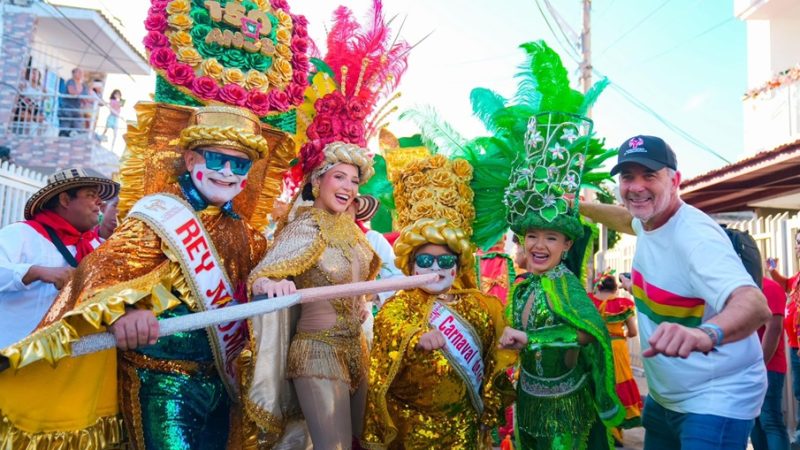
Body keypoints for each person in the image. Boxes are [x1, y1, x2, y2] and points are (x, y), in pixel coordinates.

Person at [0, 104, 292, 449]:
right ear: (191, 160)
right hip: (160, 379)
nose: (228, 172)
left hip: (221, 382)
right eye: (216, 159)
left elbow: (259, 273)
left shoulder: (247, 235)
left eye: (240, 163)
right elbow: (100, 273)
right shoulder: (155, 218)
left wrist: (270, 282)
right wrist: (124, 313)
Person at [579, 134, 771, 449]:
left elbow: (754, 304)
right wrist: (579, 207)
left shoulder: (696, 239)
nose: (636, 186)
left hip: (715, 399)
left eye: (649, 175)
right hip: (664, 399)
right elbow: (627, 219)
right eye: (628, 177)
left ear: (675, 181)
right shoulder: (649, 220)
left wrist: (706, 335)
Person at [362, 155, 516, 449]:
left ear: (458, 265)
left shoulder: (477, 305)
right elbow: (389, 328)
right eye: (426, 260)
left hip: (465, 431)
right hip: (415, 430)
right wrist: (415, 338)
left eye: (445, 260)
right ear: (411, 264)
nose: (436, 268)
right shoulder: (401, 304)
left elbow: (491, 350)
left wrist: (505, 340)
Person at [498, 114, 624, 449]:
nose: (539, 246)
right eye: (532, 236)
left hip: (567, 408)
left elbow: (588, 333)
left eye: (551, 238)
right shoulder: (522, 287)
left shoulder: (566, 283)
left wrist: (531, 338)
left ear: (567, 244)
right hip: (528, 403)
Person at [247, 142, 380, 450]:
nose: (348, 187)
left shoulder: (351, 229)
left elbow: (359, 278)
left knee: (359, 440)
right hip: (317, 352)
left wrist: (362, 302)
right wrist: (272, 285)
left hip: (356, 350)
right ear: (317, 181)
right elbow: (262, 275)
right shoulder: (304, 227)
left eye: (354, 180)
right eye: (339, 177)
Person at [0, 168, 118, 348]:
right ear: (65, 200)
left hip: (68, 366)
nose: (100, 202)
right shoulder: (22, 234)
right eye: (90, 194)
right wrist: (35, 272)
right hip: (12, 360)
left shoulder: (97, 249)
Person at [589, 271, 643, 442]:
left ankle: (599, 428)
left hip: (595, 345)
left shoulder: (590, 301)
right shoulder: (622, 304)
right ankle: (617, 430)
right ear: (615, 288)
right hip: (617, 347)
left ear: (598, 285)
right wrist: (621, 334)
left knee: (598, 382)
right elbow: (633, 332)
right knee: (618, 383)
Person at [766, 236, 800, 446]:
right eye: (797, 242)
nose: (797, 246)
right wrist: (773, 271)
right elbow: (787, 285)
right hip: (795, 347)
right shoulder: (798, 277)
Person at [751, 275, 790, 450]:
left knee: (770, 420)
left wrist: (759, 366)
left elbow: (774, 328)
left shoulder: (770, 288)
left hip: (769, 367)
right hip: (749, 369)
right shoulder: (744, 288)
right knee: (754, 421)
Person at [59, 67, 88, 136]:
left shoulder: (83, 85)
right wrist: (81, 96)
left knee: (78, 128)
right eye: (79, 72)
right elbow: (71, 92)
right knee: (65, 128)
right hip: (67, 108)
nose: (81, 74)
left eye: (82, 72)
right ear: (73, 73)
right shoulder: (70, 81)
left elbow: (85, 99)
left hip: (77, 109)